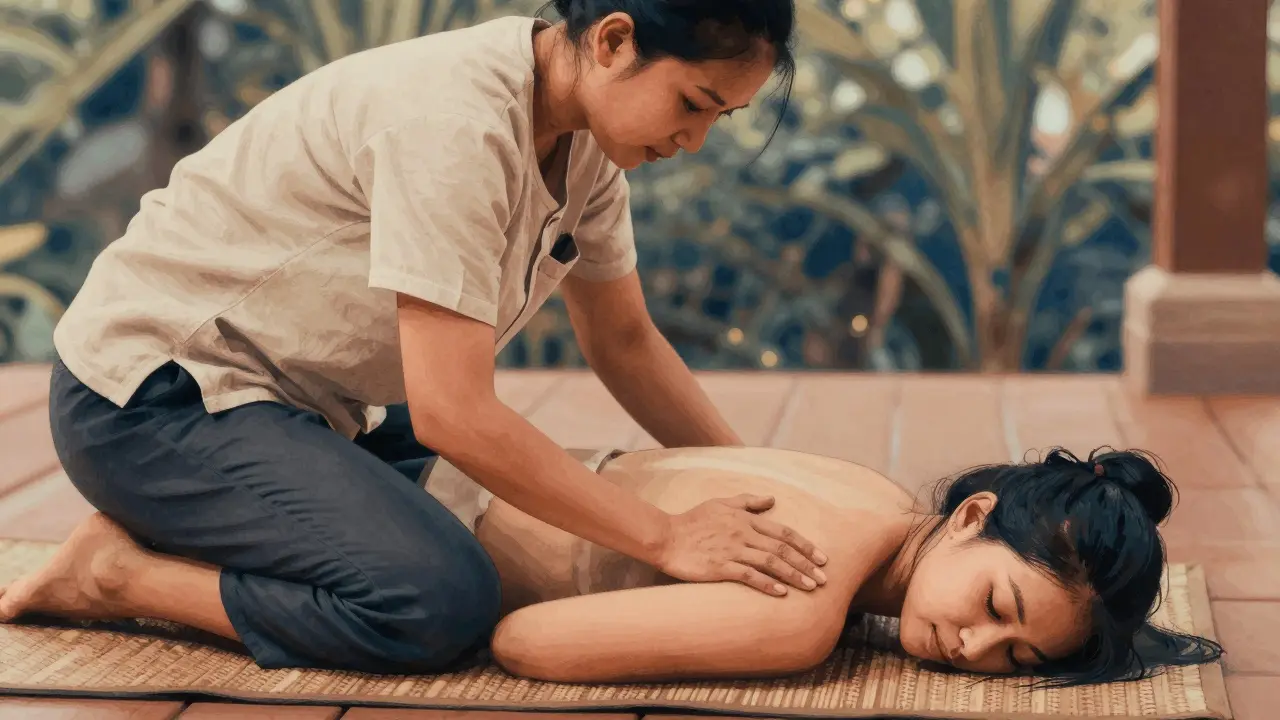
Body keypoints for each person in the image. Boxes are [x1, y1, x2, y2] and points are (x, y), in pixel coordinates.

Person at [0, 0, 832, 674]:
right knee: (436, 600)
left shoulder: (589, 152)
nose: (695, 141)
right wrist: (670, 536)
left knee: (511, 520)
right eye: (693, 104)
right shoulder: (456, 121)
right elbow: (453, 415)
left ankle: (218, 515)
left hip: (316, 403)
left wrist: (773, 482)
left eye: (723, 118)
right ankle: (116, 574)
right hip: (153, 397)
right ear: (614, 39)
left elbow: (625, 342)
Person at [467, 445, 1222, 686]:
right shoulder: (802, 609)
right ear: (970, 517)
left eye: (1017, 658)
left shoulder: (876, 495)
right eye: (997, 608)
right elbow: (522, 642)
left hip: (500, 463)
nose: (973, 648)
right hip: (448, 520)